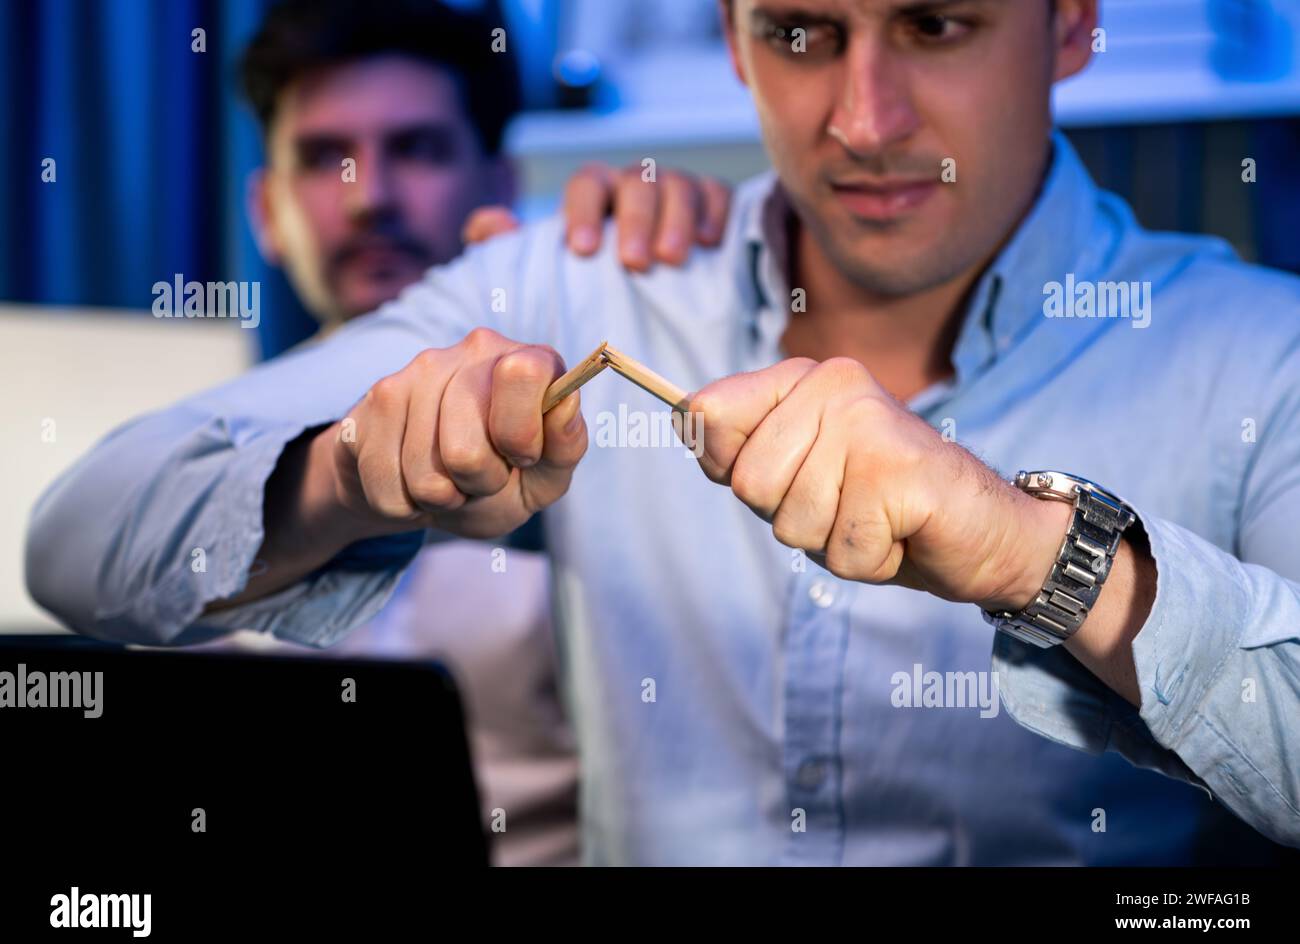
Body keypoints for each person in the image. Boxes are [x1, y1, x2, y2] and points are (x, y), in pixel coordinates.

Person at [28, 0, 1300, 863]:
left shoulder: (1258, 352)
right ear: (737, 42)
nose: (864, 121)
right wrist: (349, 473)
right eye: (800, 31)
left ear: (1069, 22)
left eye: (936, 22)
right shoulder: (571, 285)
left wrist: (1036, 556)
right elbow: (79, 539)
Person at [210, 0, 729, 866]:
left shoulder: (609, 416)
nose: (369, 197)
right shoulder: (217, 454)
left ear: (497, 183)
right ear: (266, 209)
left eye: (415, 149)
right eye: (325, 156)